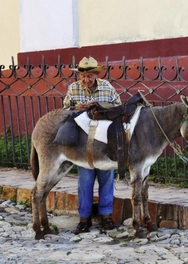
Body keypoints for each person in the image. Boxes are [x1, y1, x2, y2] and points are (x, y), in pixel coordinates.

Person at [63, 56, 122, 234]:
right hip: (83, 144)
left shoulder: (107, 87)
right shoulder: (73, 89)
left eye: (89, 76)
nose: (86, 79)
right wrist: (76, 108)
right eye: (83, 75)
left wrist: (102, 106)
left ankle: (106, 216)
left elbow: (119, 108)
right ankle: (84, 218)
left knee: (107, 179)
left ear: (96, 74)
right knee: (85, 181)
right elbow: (64, 110)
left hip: (104, 142)